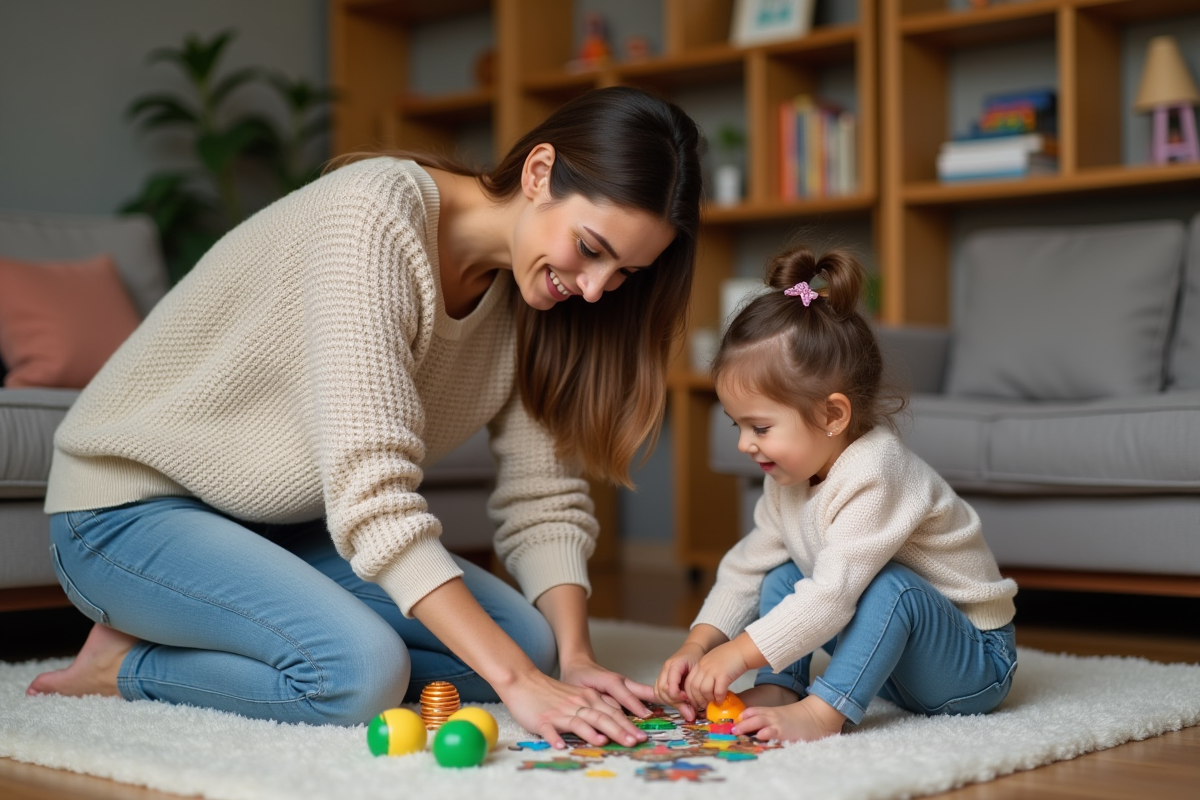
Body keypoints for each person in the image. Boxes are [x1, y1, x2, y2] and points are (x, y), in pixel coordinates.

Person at [28, 86, 703, 749]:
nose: (593, 290)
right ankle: (126, 667)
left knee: (534, 642)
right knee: (359, 673)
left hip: (278, 527)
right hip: (126, 512)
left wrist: (572, 661)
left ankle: (213, 617)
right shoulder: (374, 214)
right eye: (591, 249)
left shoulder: (536, 302)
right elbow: (374, 499)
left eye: (622, 274)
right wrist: (520, 683)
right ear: (538, 172)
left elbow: (543, 493)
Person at [654, 245, 1018, 742]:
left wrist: (737, 651)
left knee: (895, 589)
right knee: (779, 572)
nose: (744, 443)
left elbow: (831, 598)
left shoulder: (875, 470)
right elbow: (745, 566)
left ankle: (825, 712)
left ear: (832, 416)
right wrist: (698, 643)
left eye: (759, 426)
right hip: (894, 668)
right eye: (736, 424)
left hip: (974, 663)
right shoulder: (788, 477)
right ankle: (782, 686)